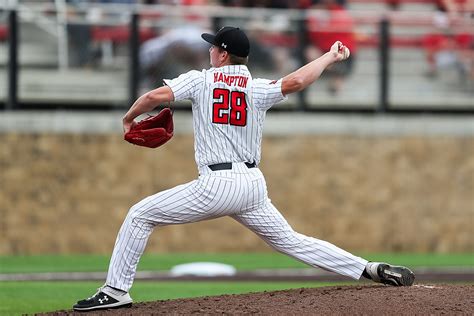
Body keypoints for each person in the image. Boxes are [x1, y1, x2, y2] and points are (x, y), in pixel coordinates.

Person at [73, 26, 415, 312]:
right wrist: (329, 56)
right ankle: (369, 268)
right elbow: (296, 81)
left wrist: (129, 117)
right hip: (252, 185)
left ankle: (115, 291)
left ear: (222, 54)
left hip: (217, 184)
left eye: (213, 47)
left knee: (139, 215)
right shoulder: (256, 87)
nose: (209, 52)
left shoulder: (201, 81)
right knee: (291, 241)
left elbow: (153, 98)